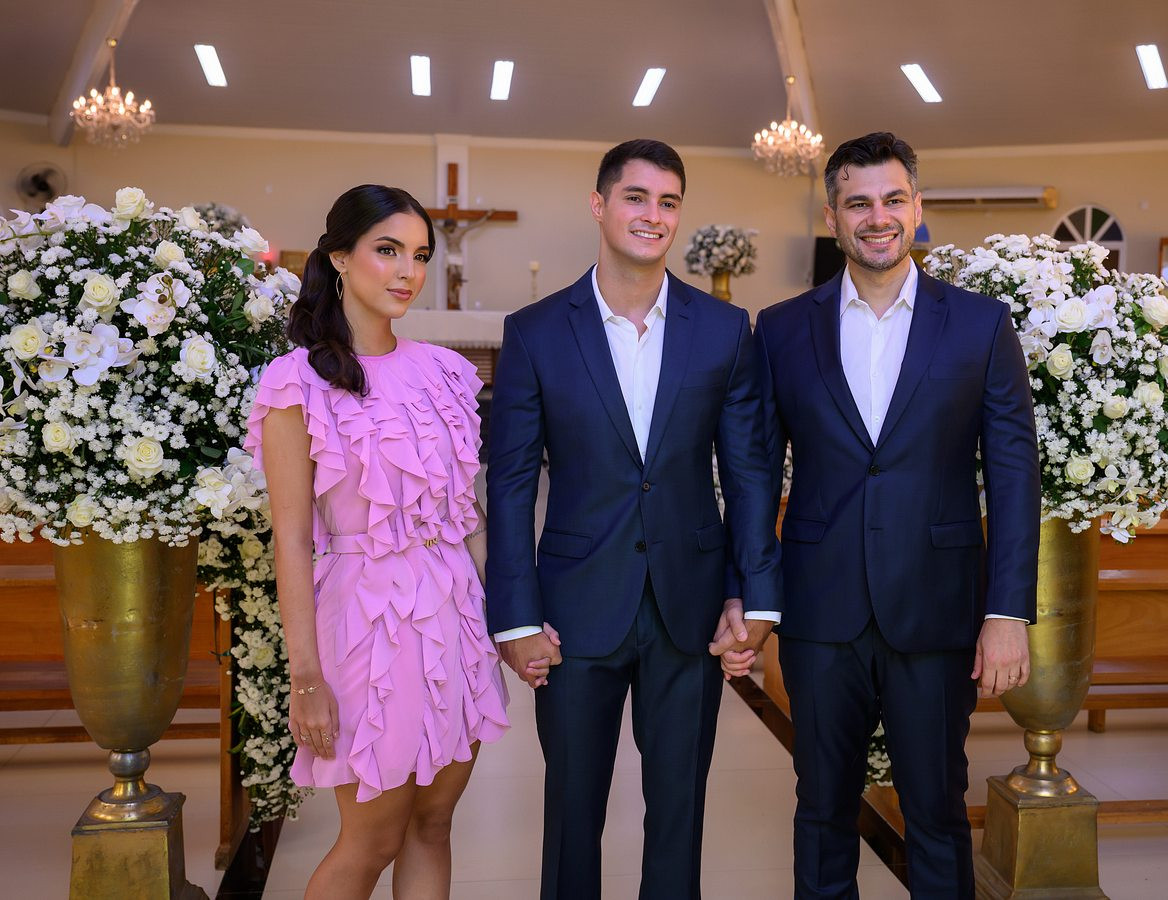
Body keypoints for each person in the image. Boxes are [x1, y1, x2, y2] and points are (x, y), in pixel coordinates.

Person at [741, 132, 1041, 898]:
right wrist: (753, 596)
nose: (876, 216)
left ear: (916, 206)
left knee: (936, 810)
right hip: (818, 608)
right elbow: (753, 473)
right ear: (832, 217)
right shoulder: (781, 328)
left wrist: (1006, 611)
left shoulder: (979, 324)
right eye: (857, 203)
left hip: (937, 607)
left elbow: (1014, 475)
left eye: (892, 199)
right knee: (821, 808)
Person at [484, 139, 782, 900]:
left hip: (690, 603)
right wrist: (514, 616)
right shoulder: (535, 331)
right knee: (571, 811)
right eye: (636, 197)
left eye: (669, 202)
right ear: (599, 205)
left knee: (680, 811)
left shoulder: (723, 329)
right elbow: (510, 483)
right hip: (573, 608)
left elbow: (749, 474)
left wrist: (753, 595)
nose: (654, 215)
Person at [246, 184, 523, 899]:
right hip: (366, 626)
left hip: (452, 617)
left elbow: (467, 518)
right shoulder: (295, 383)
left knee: (433, 825)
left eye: (420, 255)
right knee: (371, 840)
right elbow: (291, 542)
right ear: (340, 257)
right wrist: (306, 679)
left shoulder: (445, 372)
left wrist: (507, 621)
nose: (407, 271)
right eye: (388, 250)